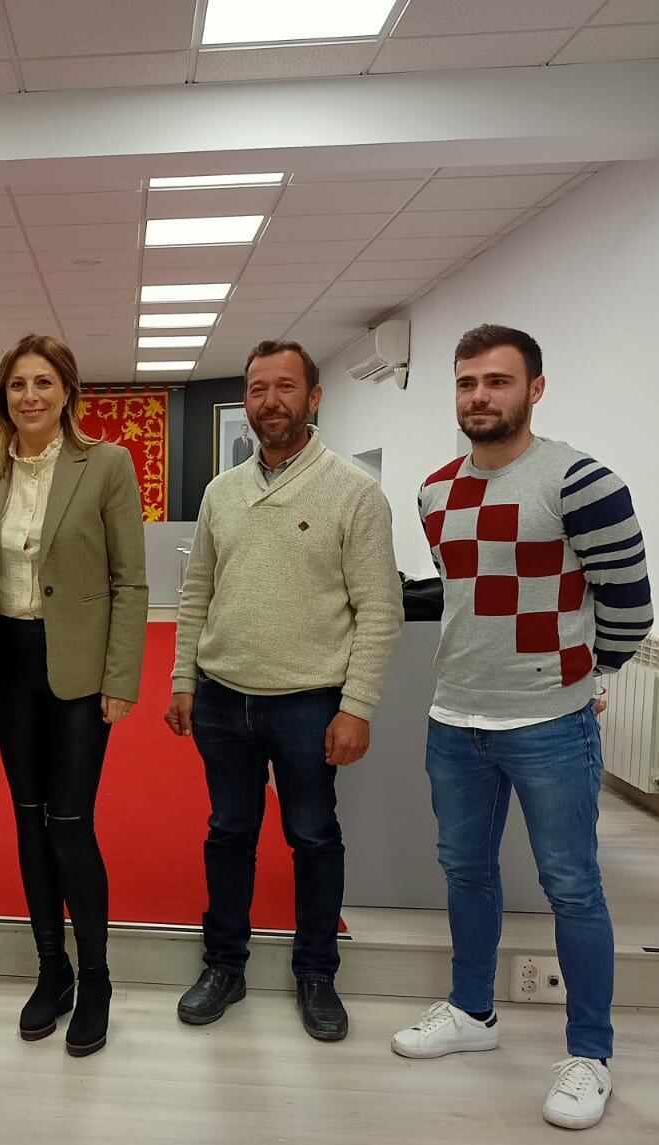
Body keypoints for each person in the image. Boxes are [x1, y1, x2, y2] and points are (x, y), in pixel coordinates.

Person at [391, 325, 653, 1130]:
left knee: (572, 887)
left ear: (535, 389)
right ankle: (474, 1013)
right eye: (468, 383)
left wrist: (586, 676)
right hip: (454, 716)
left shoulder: (582, 482)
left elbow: (629, 607)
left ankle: (590, 1053)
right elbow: (464, 595)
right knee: (465, 872)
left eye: (498, 382)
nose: (480, 397)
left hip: (548, 721)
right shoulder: (437, 490)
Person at [167, 339, 402, 1042]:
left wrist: (356, 706)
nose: (270, 402)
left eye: (285, 388)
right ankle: (225, 967)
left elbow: (379, 610)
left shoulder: (354, 492)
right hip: (222, 697)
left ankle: (315, 974)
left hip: (309, 703)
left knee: (313, 836)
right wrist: (184, 677)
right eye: (258, 389)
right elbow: (196, 592)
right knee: (229, 834)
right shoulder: (221, 491)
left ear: (314, 397)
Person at [0, 333, 148, 1057]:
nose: (29, 397)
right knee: (28, 816)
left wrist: (121, 678)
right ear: (2, 396)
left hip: (77, 666)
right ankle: (53, 970)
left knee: (69, 821)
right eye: (16, 386)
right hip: (10, 661)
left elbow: (130, 581)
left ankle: (96, 980)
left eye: (43, 383)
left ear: (68, 391)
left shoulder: (106, 465)